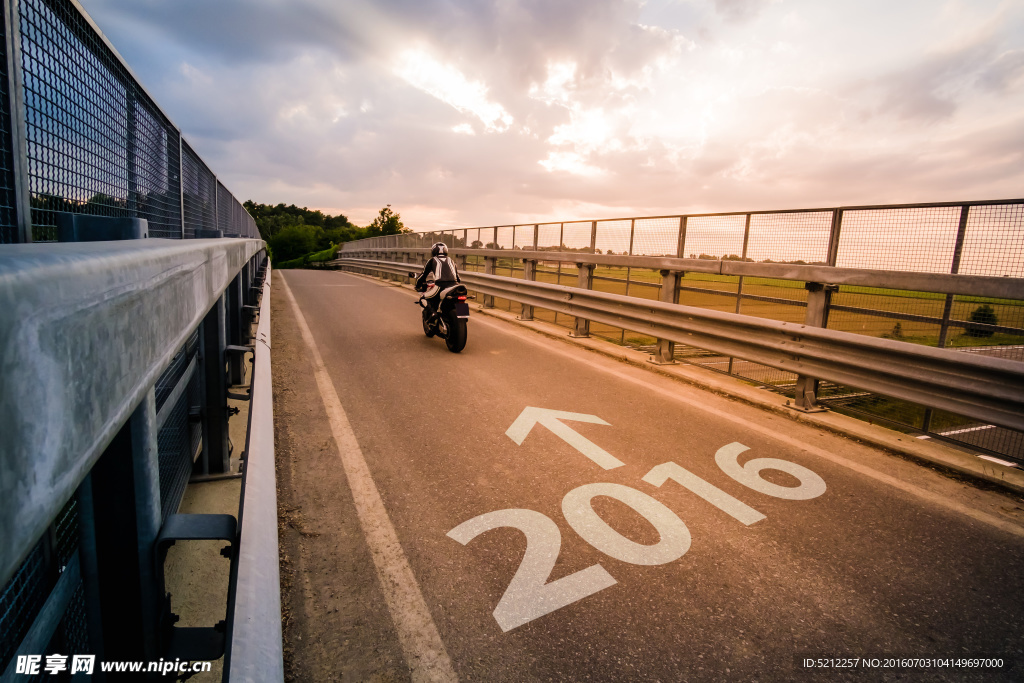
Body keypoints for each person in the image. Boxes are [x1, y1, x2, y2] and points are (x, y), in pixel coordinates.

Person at [416, 242, 461, 316]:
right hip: (454, 286)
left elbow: (423, 275)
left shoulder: (432, 260)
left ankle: (433, 314)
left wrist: (417, 286)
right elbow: (458, 278)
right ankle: (463, 316)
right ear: (446, 251)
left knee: (423, 298)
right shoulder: (451, 261)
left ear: (433, 251)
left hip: (440, 286)